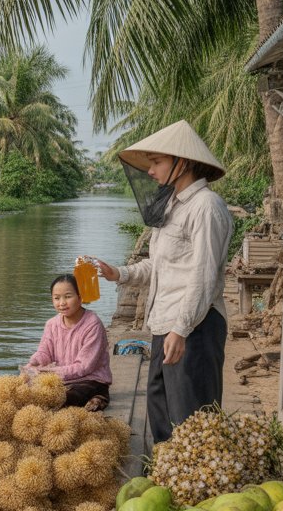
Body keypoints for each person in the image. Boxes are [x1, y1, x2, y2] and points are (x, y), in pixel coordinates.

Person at [95, 120, 233, 443]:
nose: (151, 171)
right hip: (165, 326)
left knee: (192, 422)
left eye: (156, 162)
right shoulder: (171, 205)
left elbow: (203, 276)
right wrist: (120, 274)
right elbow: (160, 266)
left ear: (181, 162)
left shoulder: (206, 207)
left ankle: (197, 493)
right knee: (162, 416)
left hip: (194, 329)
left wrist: (181, 329)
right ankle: (167, 487)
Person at [25, 273, 112, 408]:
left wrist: (50, 372)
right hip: (61, 380)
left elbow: (84, 367)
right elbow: (45, 352)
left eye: (68, 296)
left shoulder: (92, 324)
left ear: (80, 297)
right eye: (57, 298)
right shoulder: (51, 324)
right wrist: (34, 362)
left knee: (62, 399)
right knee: (25, 392)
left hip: (89, 379)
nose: (62, 303)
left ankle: (100, 397)